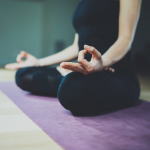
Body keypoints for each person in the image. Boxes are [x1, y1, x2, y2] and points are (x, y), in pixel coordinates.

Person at [5, 0, 142, 114]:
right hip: (85, 71)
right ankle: (69, 77)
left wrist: (102, 63)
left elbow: (125, 39)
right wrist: (38, 62)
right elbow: (76, 47)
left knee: (73, 89)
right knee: (24, 74)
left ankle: (69, 79)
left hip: (116, 73)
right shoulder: (83, 3)